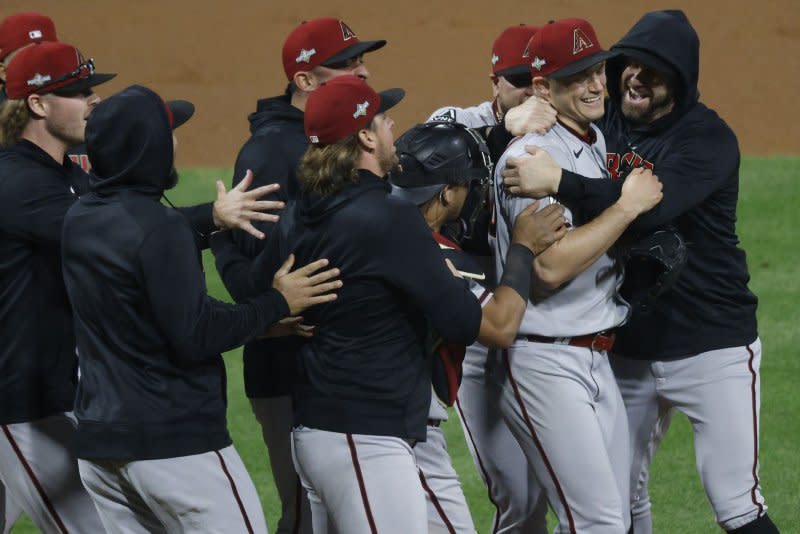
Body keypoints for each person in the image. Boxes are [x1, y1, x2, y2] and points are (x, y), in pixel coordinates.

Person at [500, 10, 779, 534]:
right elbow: (551, 110)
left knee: (736, 501)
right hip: (625, 349)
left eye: (656, 71)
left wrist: (556, 179)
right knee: (616, 499)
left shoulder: (707, 140)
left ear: (681, 81)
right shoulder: (606, 120)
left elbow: (645, 207)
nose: (636, 77)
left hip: (710, 344)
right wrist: (509, 118)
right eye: (630, 64)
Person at [0, 40, 284, 533]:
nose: (92, 101)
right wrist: (213, 220)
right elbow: (121, 232)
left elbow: (120, 223)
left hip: (76, 397)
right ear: (37, 104)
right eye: (78, 91)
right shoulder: (15, 183)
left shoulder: (69, 176)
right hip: (24, 404)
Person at [59, 83, 341, 533]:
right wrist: (276, 302)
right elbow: (197, 333)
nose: (177, 142)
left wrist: (211, 216)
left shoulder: (79, 219)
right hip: (175, 448)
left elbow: (142, 271)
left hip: (101, 448)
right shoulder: (161, 230)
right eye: (168, 133)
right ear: (149, 149)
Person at [244, 74, 480, 533]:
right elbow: (462, 321)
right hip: (364, 438)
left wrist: (283, 315)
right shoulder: (388, 216)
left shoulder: (300, 213)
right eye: (385, 119)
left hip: (318, 429)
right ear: (367, 137)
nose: (394, 127)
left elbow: (258, 296)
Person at [211, 17, 387, 534]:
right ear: (305, 81)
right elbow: (253, 273)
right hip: (291, 369)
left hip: (338, 367)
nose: (364, 71)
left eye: (362, 59)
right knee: (307, 516)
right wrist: (269, 310)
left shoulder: (334, 136)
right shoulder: (270, 153)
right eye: (348, 64)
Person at [492, 18, 663, 533]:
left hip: (594, 356)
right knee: (597, 523)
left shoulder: (591, 141)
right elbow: (546, 268)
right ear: (543, 87)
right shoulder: (529, 156)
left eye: (597, 70)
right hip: (544, 359)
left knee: (611, 520)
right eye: (576, 77)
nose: (594, 85)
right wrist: (625, 211)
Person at [388, 121, 567, 533]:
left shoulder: (362, 223)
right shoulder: (437, 255)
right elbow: (500, 325)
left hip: (326, 421)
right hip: (400, 433)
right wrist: (522, 248)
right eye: (469, 184)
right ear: (447, 192)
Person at [426, 24, 552, 534]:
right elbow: (424, 166)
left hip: (546, 333)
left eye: (538, 80)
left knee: (568, 490)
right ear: (495, 81)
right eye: (518, 80)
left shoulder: (567, 138)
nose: (529, 91)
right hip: (479, 333)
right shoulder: (457, 122)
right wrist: (504, 134)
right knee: (519, 498)